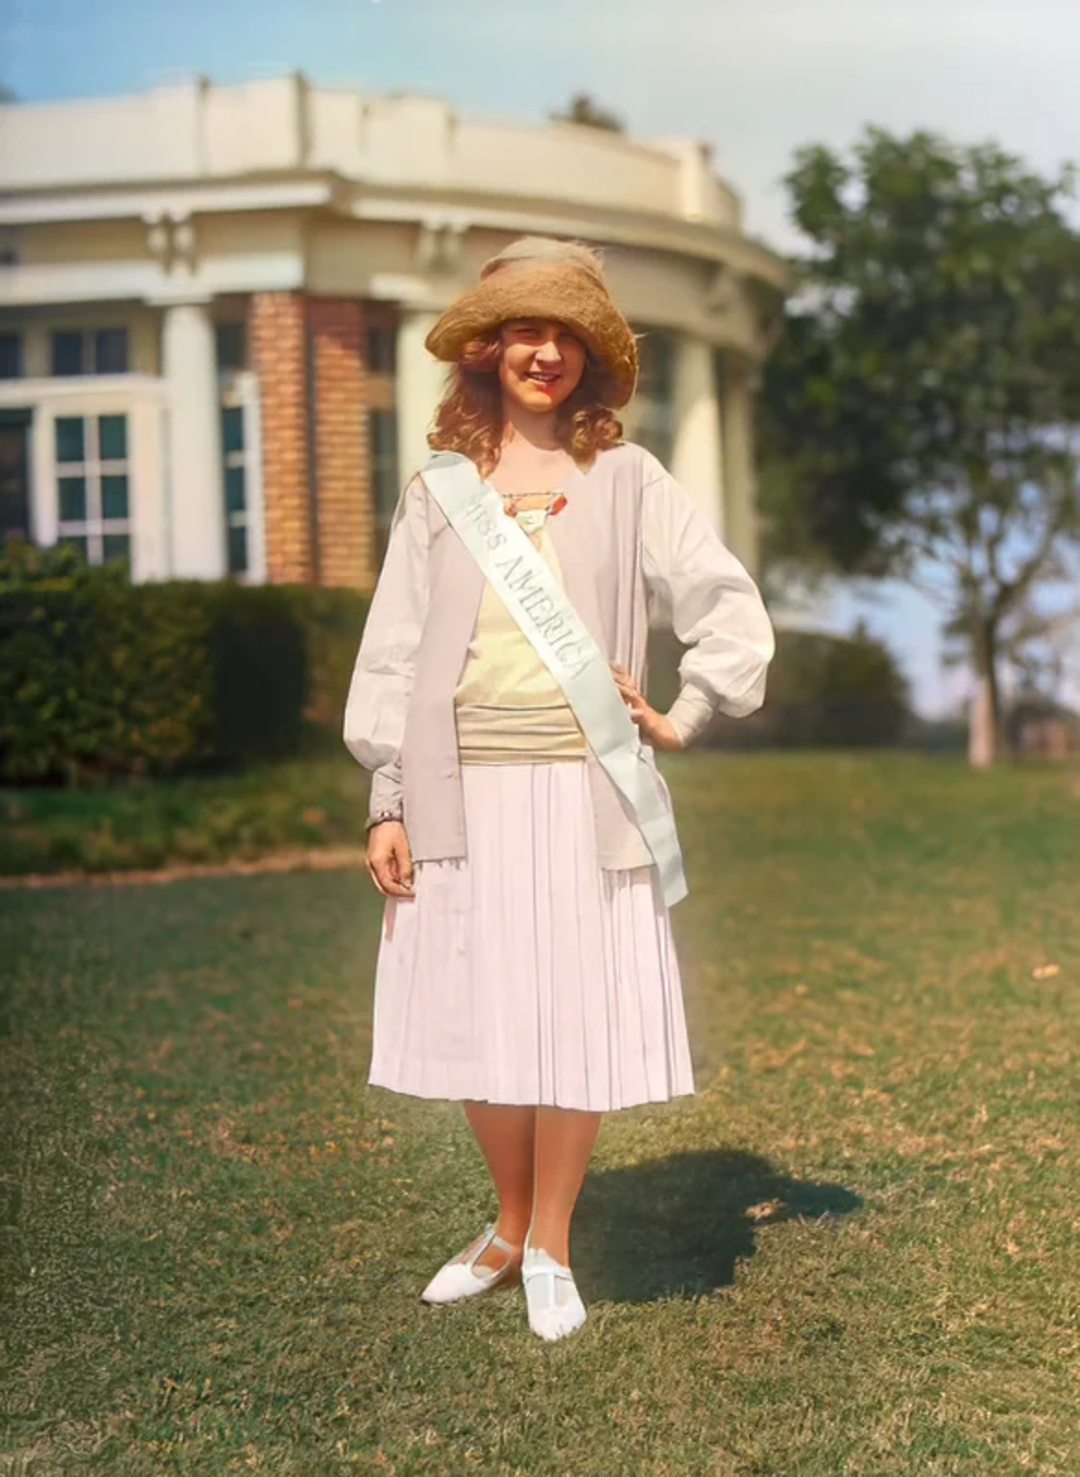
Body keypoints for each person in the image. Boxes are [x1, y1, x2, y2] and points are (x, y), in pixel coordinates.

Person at [343, 235, 775, 1342]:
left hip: (586, 790)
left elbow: (724, 604)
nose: (545, 354)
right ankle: (503, 1225)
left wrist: (683, 711)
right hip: (460, 790)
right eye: (524, 332)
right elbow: (395, 652)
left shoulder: (628, 480)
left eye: (566, 336)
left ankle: (552, 1243)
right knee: (479, 1008)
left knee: (573, 1010)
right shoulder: (439, 492)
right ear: (486, 350)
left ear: (592, 356)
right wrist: (389, 797)